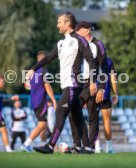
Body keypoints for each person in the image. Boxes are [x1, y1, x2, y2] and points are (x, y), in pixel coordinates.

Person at [26, 12, 98, 154]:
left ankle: (51, 145)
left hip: (74, 84)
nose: (57, 25)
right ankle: (88, 147)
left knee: (60, 110)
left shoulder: (79, 40)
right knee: (76, 115)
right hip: (66, 85)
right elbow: (48, 58)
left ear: (68, 24)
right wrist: (33, 69)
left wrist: (93, 81)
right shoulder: (60, 43)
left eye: (59, 22)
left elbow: (91, 60)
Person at [68, 21, 109, 153]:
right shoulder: (75, 44)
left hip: (93, 85)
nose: (76, 34)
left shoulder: (98, 45)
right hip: (77, 84)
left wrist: (101, 87)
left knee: (93, 117)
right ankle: (77, 144)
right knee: (72, 114)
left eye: (78, 31)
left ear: (86, 30)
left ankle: (90, 147)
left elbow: (105, 68)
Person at [20, 51, 57, 152]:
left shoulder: (32, 71)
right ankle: (26, 144)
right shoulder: (44, 70)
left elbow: (27, 85)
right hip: (40, 100)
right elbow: (47, 85)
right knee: (42, 125)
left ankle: (40, 144)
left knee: (43, 125)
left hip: (34, 101)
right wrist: (54, 100)